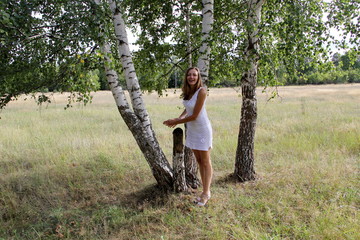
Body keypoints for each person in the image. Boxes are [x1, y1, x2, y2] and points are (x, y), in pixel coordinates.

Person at [163, 67, 213, 206]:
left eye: (194, 75)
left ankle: (206, 192)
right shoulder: (188, 92)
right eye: (189, 75)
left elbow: (196, 115)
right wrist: (179, 117)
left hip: (202, 129)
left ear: (198, 78)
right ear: (186, 77)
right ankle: (204, 190)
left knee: (205, 161)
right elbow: (188, 108)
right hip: (192, 129)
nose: (191, 77)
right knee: (198, 160)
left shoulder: (201, 91)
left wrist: (176, 121)